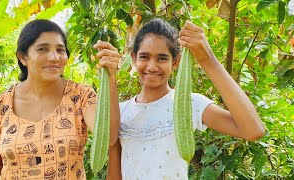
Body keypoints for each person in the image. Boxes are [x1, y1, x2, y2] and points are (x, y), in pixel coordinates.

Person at [107, 18, 266, 179]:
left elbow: (254, 130)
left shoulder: (189, 105)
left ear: (175, 62)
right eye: (144, 57)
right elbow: (115, 173)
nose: (152, 66)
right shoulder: (120, 111)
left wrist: (207, 58)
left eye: (162, 58)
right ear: (134, 58)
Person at [0, 19, 121, 179]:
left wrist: (110, 77)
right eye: (43, 49)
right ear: (22, 57)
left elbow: (108, 137)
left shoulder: (81, 96)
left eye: (60, 50)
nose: (54, 57)